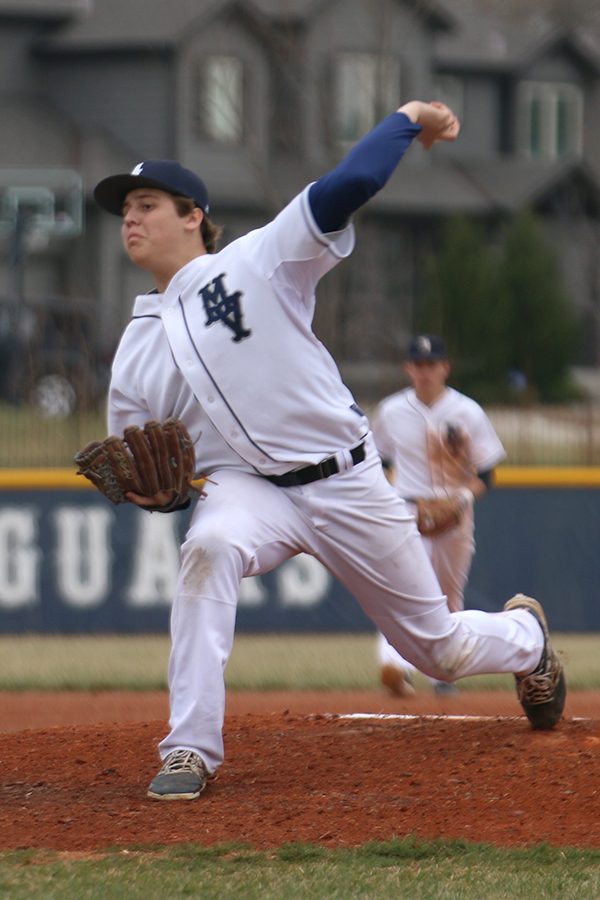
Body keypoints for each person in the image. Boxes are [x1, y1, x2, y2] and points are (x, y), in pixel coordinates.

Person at [93, 100, 565, 802]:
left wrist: (405, 119)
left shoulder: (258, 262)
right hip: (244, 489)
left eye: (147, 202)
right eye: (125, 208)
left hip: (345, 479)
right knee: (208, 550)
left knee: (434, 647)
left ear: (193, 215)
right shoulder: (134, 347)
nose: (131, 217)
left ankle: (525, 637)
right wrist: (163, 497)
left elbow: (347, 186)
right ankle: (189, 748)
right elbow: (142, 466)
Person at [372, 334, 506, 697]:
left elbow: (487, 473)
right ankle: (394, 666)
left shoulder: (468, 411)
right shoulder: (391, 410)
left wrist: (459, 500)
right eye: (418, 364)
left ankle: (444, 673)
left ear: (445, 367)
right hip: (408, 509)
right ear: (408, 369)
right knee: (398, 589)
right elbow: (378, 462)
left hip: (455, 511)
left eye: (432, 364)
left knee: (448, 597)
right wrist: (391, 497)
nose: (425, 371)